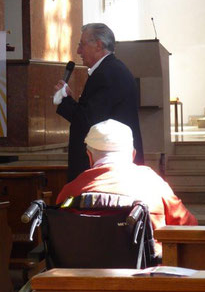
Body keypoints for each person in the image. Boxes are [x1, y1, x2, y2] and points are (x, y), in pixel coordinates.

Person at [56, 119, 198, 255]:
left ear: (89, 156)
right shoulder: (153, 184)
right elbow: (188, 227)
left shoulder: (69, 192)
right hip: (146, 276)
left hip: (81, 277)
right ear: (133, 154)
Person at [54, 23, 143, 182]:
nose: (78, 51)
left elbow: (90, 122)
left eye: (82, 45)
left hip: (108, 167)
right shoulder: (111, 70)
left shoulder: (107, 74)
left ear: (98, 45)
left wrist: (66, 101)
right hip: (110, 163)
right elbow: (94, 113)